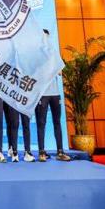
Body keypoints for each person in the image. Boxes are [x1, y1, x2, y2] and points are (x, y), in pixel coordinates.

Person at [35, 29, 71, 162]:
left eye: (47, 37)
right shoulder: (36, 54)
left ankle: (60, 151)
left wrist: (53, 66)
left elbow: (60, 72)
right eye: (43, 37)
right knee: (41, 122)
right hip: (42, 93)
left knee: (57, 122)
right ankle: (41, 152)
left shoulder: (54, 54)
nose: (45, 40)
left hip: (55, 93)